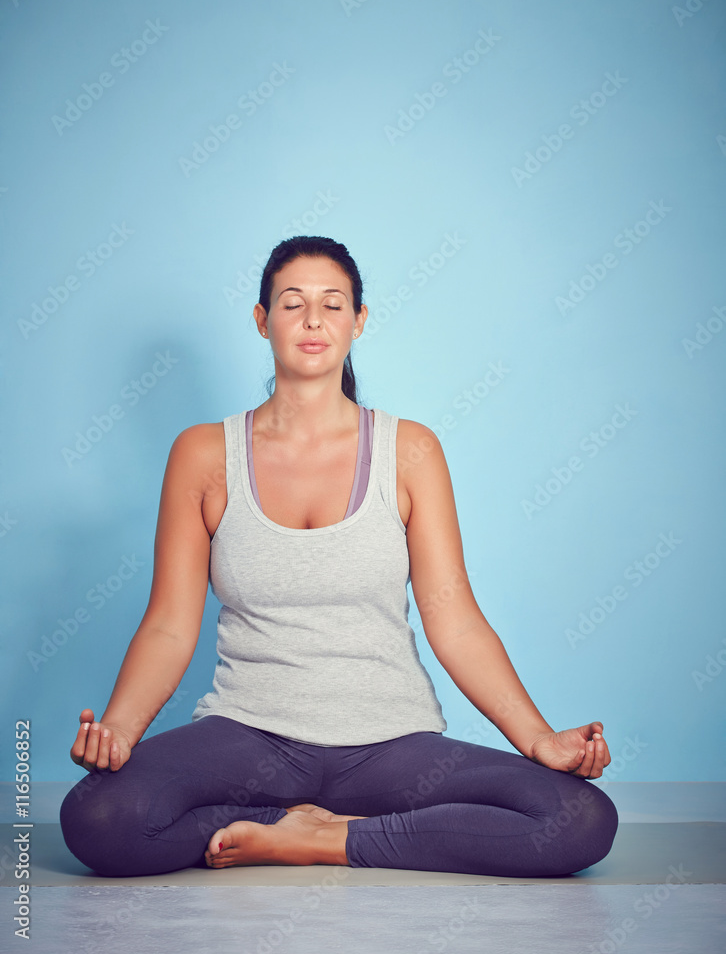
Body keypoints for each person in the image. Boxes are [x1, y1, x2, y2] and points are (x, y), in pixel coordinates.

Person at [60, 235, 618, 878]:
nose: (314, 320)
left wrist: (539, 739)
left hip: (389, 749)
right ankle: (283, 824)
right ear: (262, 319)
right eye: (293, 304)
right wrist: (121, 732)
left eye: (333, 303)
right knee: (97, 818)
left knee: (580, 819)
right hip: (247, 739)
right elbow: (169, 623)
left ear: (359, 320)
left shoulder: (412, 452)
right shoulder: (203, 454)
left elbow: (455, 619)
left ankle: (331, 840)